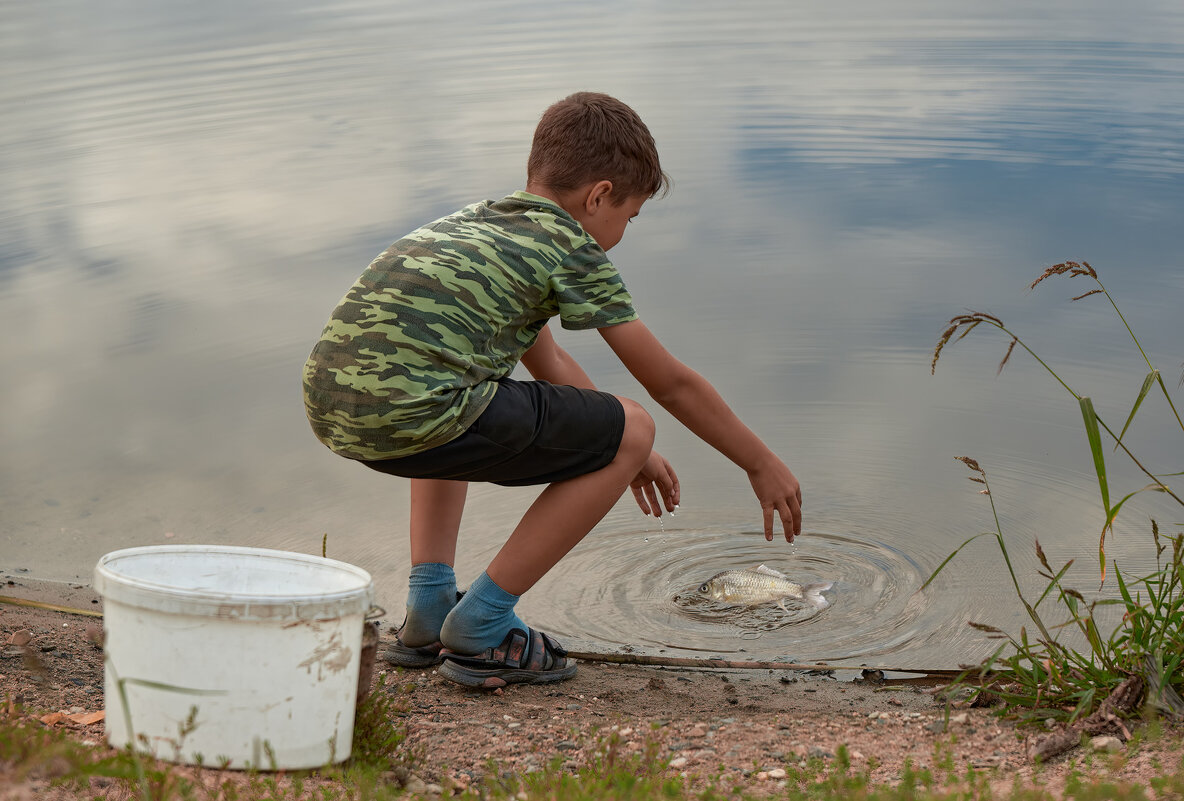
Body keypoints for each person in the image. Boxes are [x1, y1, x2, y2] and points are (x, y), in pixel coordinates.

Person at [303, 91, 802, 689]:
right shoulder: (571, 247)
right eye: (629, 216)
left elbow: (549, 359)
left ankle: (430, 605)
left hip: (336, 412)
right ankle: (481, 627)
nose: (622, 233)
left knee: (462, 389)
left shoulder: (479, 226)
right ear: (598, 196)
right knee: (628, 420)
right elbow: (669, 383)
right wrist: (758, 462)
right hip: (415, 414)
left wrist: (625, 449)